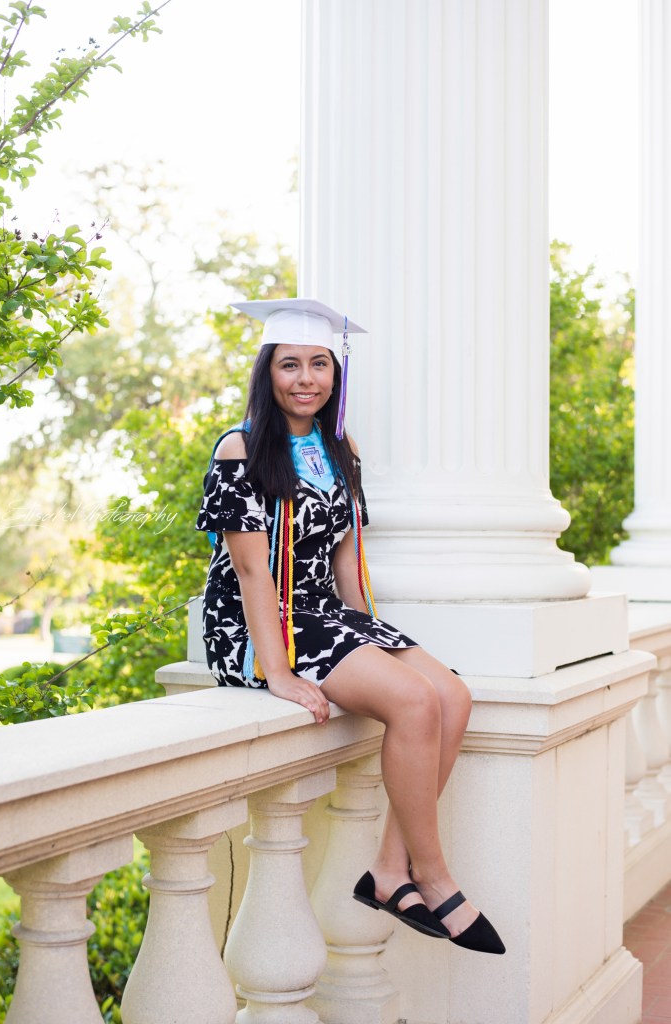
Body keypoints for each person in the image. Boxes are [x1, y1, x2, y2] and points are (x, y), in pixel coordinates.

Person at [196, 298, 505, 954]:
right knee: (414, 701)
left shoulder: (342, 449)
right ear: (267, 372)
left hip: (323, 611)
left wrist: (372, 639)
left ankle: (390, 870)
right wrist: (277, 672)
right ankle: (434, 876)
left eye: (319, 364)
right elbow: (250, 571)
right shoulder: (240, 448)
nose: (305, 378)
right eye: (289, 364)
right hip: (257, 621)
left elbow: (347, 561)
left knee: (451, 695)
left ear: (335, 375)